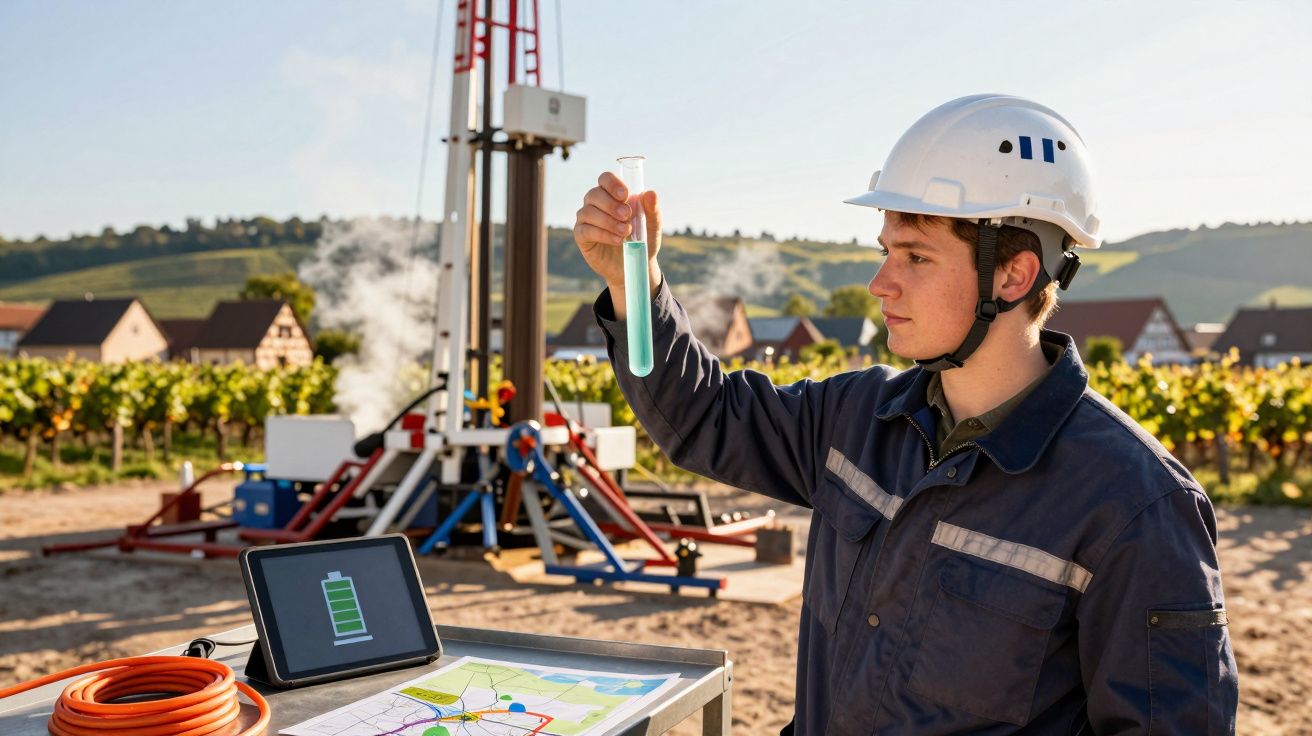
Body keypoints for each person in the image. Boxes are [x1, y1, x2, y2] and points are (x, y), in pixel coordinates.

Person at [572, 95, 1238, 735]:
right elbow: (702, 419)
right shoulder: (855, 417)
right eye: (884, 251)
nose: (881, 283)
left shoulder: (1136, 506)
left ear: (1013, 276)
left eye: (916, 256)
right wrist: (635, 280)